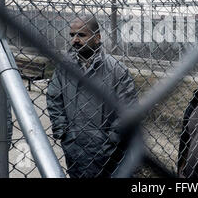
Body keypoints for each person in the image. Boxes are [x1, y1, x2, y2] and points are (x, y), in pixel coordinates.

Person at [46, 15, 138, 178]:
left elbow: (128, 109)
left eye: (81, 35)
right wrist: (64, 132)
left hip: (109, 155)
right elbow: (54, 98)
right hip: (75, 150)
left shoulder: (116, 70)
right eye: (72, 35)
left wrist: (111, 141)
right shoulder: (63, 68)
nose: (75, 40)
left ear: (97, 38)